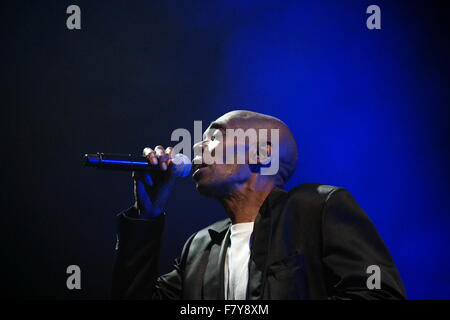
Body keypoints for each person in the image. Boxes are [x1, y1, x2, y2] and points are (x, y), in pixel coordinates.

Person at [111, 110, 406, 300]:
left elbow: (381, 295)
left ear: (262, 152)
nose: (198, 147)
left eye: (213, 137)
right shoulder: (200, 247)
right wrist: (145, 216)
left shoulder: (316, 208)